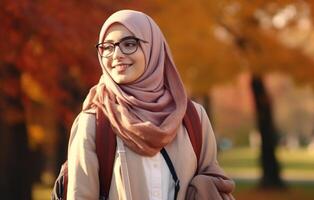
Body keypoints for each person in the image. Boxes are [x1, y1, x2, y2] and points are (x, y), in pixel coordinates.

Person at [66, 9, 235, 200]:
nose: (117, 54)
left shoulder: (193, 117)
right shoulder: (94, 123)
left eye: (129, 44)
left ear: (154, 49)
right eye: (108, 47)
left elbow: (217, 183)